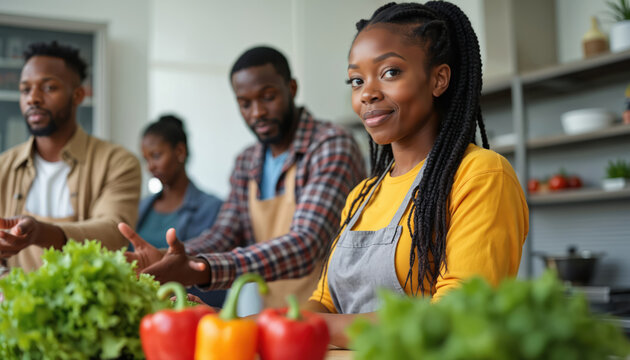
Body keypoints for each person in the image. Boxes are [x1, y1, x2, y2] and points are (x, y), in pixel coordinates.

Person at [304, 1, 529, 347]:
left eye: (390, 72)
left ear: (438, 78)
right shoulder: (362, 195)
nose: (367, 93)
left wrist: (315, 327)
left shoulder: (480, 175)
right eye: (356, 80)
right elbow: (326, 302)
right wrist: (270, 321)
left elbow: (454, 318)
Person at [118, 46, 366, 312]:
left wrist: (200, 269)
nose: (257, 112)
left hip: (336, 315)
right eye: (245, 103)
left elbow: (305, 245)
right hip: (274, 316)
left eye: (268, 97)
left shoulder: (331, 145)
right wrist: (175, 256)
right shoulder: (247, 162)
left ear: (291, 88)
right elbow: (224, 233)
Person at [0, 41, 141, 271]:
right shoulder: (3, 167)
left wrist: (42, 233)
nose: (33, 99)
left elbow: (115, 232)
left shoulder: (118, 162)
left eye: (48, 88)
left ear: (78, 95)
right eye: (25, 89)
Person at [137, 114, 225, 306]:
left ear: (179, 151)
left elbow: (215, 275)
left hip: (187, 314)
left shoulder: (214, 208)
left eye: (156, 156)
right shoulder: (141, 208)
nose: (150, 166)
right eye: (146, 159)